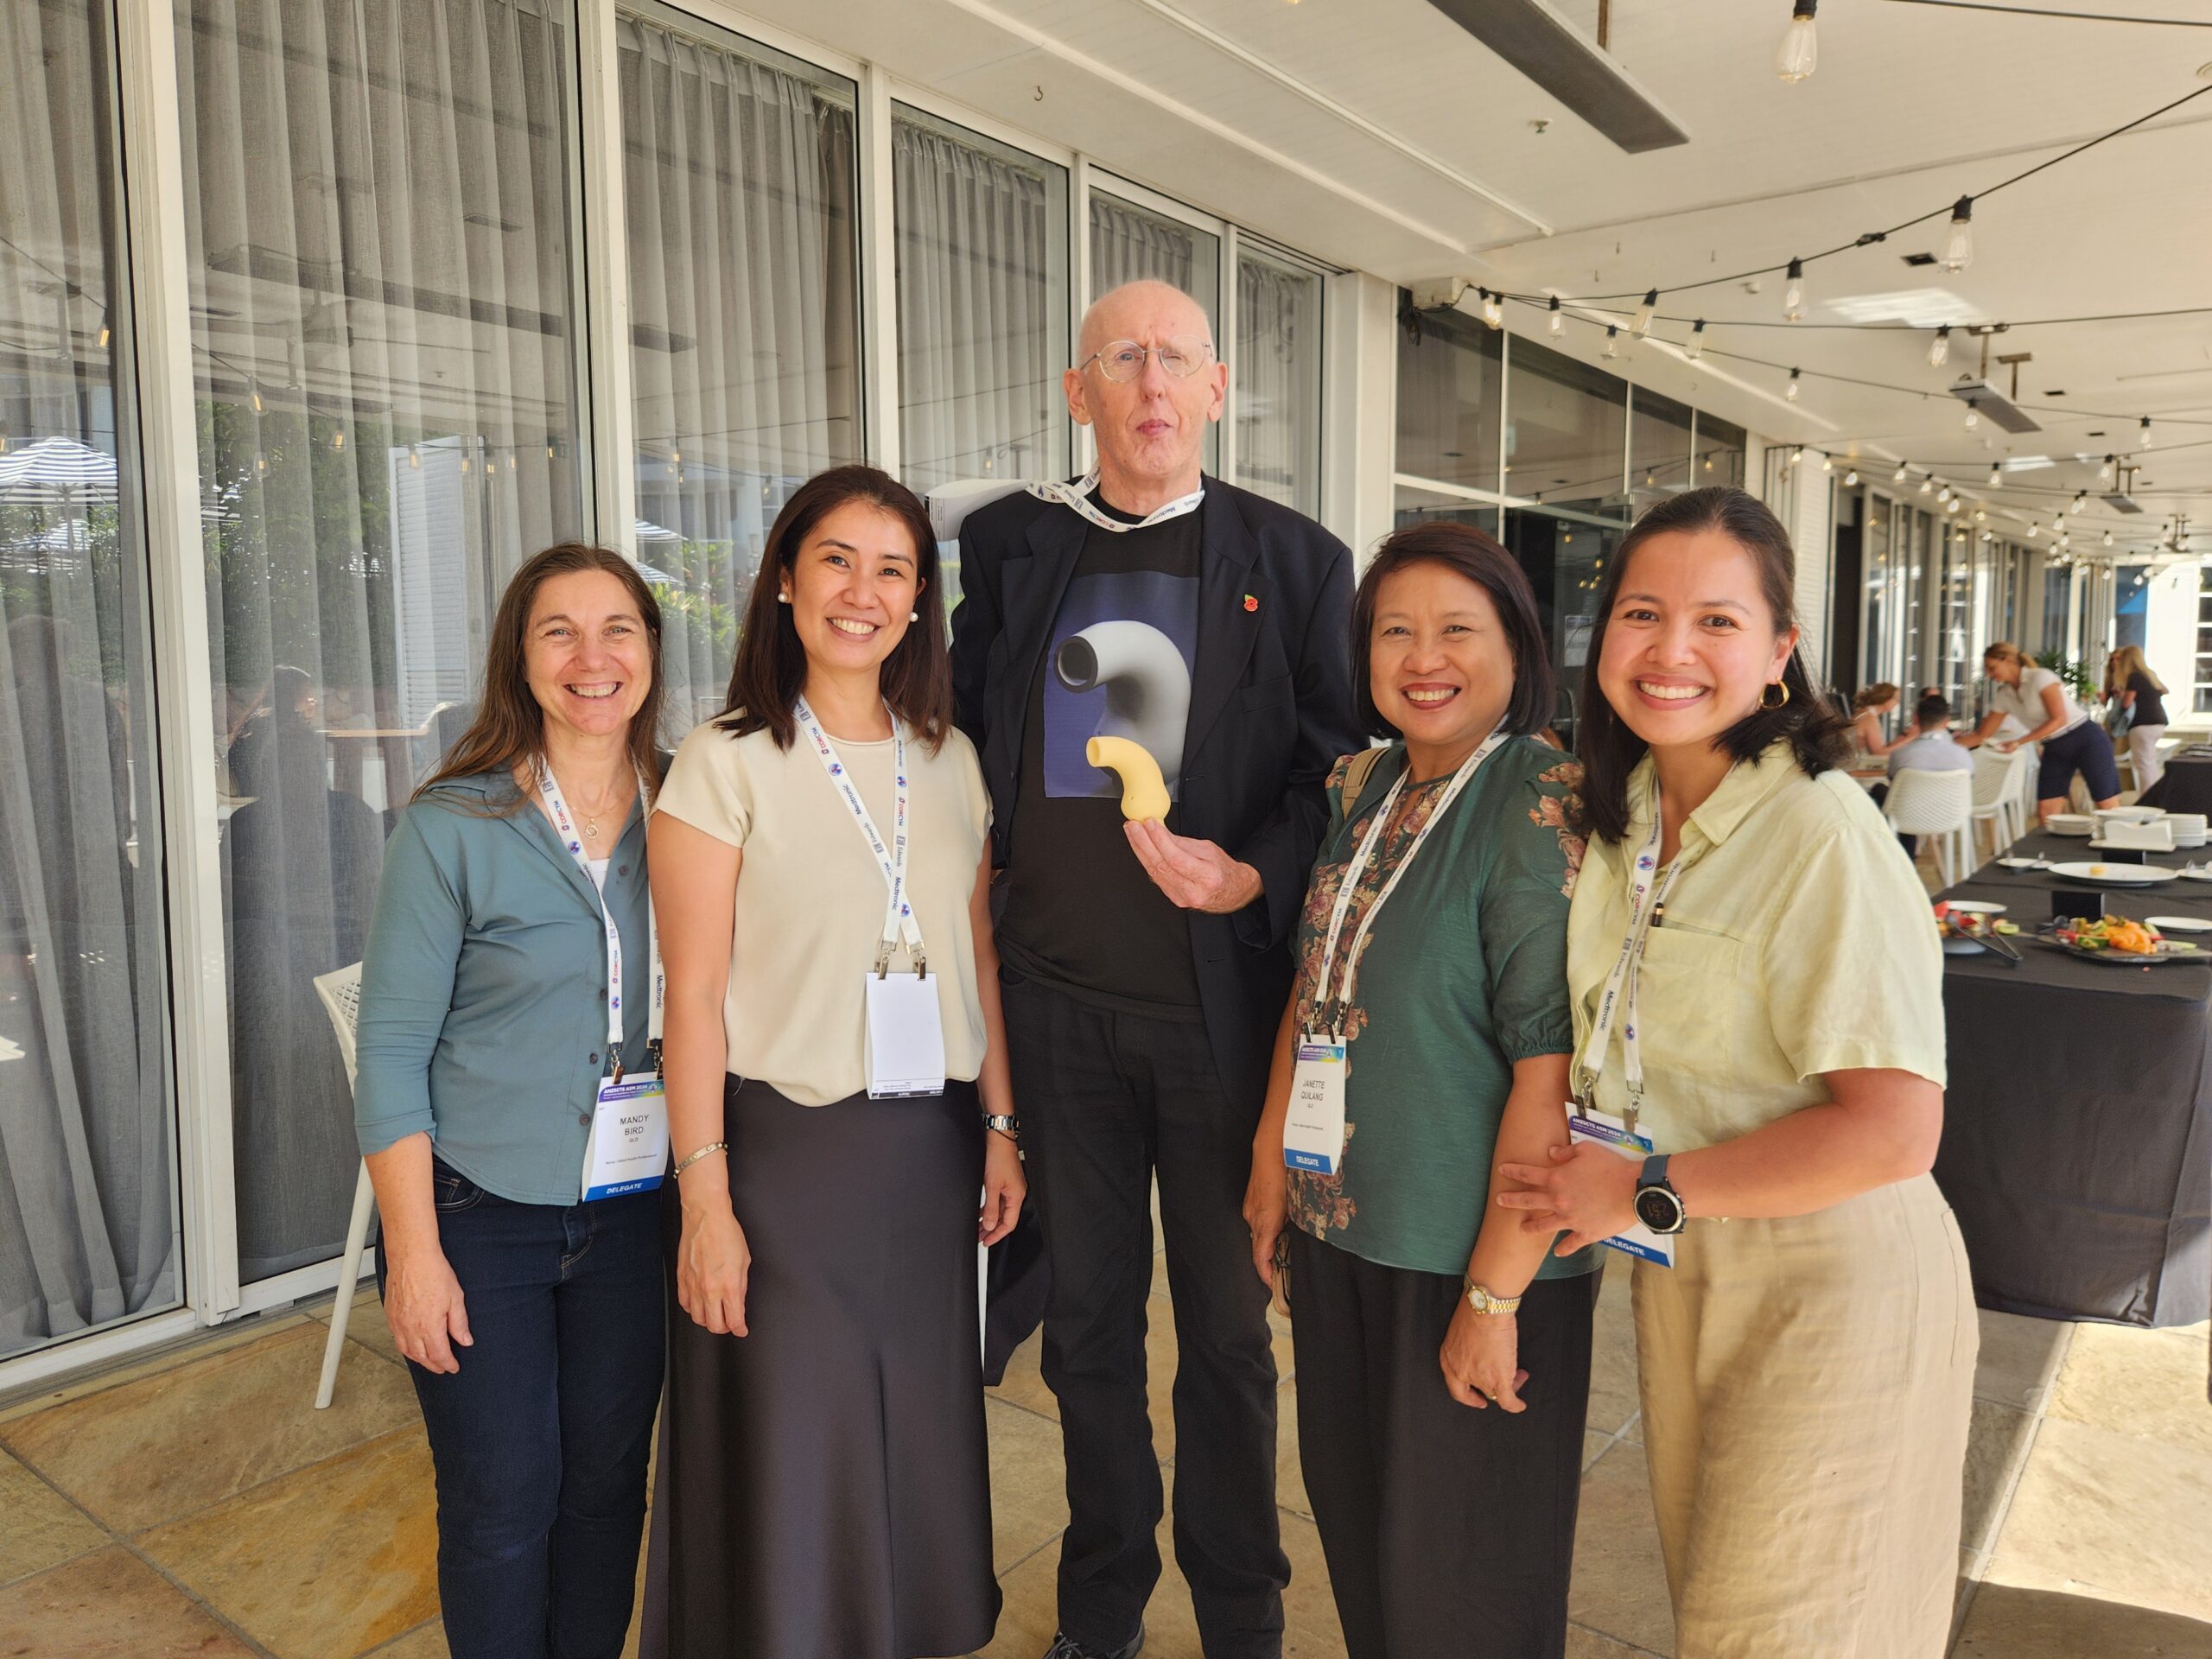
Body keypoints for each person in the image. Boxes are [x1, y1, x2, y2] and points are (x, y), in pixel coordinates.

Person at [949, 280, 1362, 1659]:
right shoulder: (1013, 549)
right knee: (1087, 1340)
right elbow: (945, 743)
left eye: (1175, 358)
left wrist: (1250, 874)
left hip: (1214, 1021)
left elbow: (1333, 784)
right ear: (1081, 393)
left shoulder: (1296, 564)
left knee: (1233, 1349)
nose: (1150, 383)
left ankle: (1242, 1616)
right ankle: (1102, 1611)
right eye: (1121, 359)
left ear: (1218, 386)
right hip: (1058, 1010)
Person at [1495, 486, 1975, 1656]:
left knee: (1785, 1627)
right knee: (1722, 1608)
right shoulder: (1624, 818)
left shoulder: (1822, 831)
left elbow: (1892, 1134)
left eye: (1717, 622)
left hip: (1834, 1279)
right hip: (1689, 1275)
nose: (1669, 652)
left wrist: (1644, 1188)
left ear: (1779, 654)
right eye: (1642, 614)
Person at [643, 465, 1024, 1659]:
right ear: (785, 581)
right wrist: (704, 1198)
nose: (864, 591)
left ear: (920, 600)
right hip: (784, 1161)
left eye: (894, 569)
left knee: (913, 1428)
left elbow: (975, 959)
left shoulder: (950, 759)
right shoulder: (726, 761)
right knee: (798, 1443)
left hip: (927, 1153)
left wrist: (1004, 1126)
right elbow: (692, 997)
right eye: (838, 562)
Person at [1243, 522, 1595, 1658]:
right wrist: (1271, 1176)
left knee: (1463, 1583)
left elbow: (1554, 1070)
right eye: (1396, 631)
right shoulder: (1367, 778)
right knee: (1368, 1552)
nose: (1423, 657)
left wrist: (1495, 1299)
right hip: (1347, 1228)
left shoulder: (1542, 800)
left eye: (1457, 630)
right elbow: (1315, 985)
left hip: (1470, 1255)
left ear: (1516, 646)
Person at [354, 543, 668, 1659]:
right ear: (519, 660)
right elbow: (388, 1049)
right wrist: (415, 1247)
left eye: (618, 629)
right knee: (503, 1502)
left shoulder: (689, 810)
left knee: (606, 1488)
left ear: (650, 652)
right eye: (560, 632)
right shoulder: (454, 827)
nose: (593, 658)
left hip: (637, 1214)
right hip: (477, 1216)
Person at [1961, 641, 2117, 823]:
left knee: (2106, 806)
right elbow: (1982, 735)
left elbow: (2059, 719)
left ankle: (2120, 849)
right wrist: (1944, 743)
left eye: (1992, 667)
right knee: (2046, 813)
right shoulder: (2004, 695)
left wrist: (2019, 741)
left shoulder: (2041, 677)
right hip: (2054, 746)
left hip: (2085, 739)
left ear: (2008, 661)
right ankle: (2052, 852)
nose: (1989, 674)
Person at [1881, 690, 1974, 855]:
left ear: (1916, 719)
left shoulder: (1900, 754)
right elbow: (1970, 781)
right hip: (1951, 816)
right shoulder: (1962, 754)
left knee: (1880, 792)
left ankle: (1902, 860)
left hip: (1907, 818)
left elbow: (1893, 781)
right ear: (1946, 722)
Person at [2106, 643, 2170, 793]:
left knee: (2143, 764)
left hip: (2142, 724)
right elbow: (2163, 690)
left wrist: (2120, 696)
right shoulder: (2149, 675)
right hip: (2158, 722)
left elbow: (2127, 703)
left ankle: (2148, 800)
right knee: (2150, 763)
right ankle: (2152, 796)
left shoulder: (2134, 677)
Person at [1843, 682, 1908, 761]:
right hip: (1855, 767)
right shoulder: (1870, 719)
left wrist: (1900, 740)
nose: (1898, 703)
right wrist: (1909, 738)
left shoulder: (1863, 712)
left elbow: (1877, 746)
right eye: (1896, 699)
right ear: (1885, 697)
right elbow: (1879, 753)